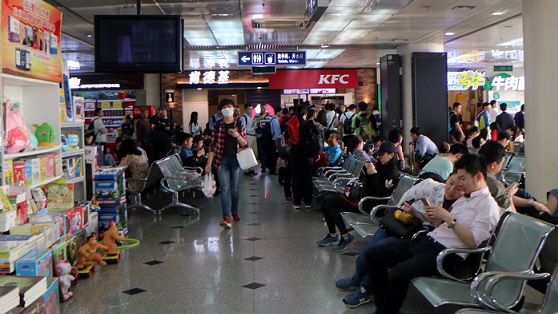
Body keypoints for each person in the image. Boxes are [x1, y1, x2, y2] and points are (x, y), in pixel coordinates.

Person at [362, 153, 501, 314]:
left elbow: (473, 242)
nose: (460, 183)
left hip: (447, 254)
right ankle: (383, 307)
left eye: (463, 178)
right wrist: (432, 216)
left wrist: (449, 219)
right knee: (372, 255)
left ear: (477, 177)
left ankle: (387, 311)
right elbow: (443, 226)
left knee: (397, 274)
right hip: (427, 242)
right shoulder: (465, 199)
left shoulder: (488, 206)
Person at [339, 175, 466, 307]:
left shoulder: (461, 206)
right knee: (367, 253)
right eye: (450, 183)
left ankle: (365, 290)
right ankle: (356, 279)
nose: (451, 190)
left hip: (415, 233)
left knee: (376, 254)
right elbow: (410, 193)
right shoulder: (434, 187)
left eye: (459, 189)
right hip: (397, 222)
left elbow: (439, 230)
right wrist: (402, 209)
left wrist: (420, 216)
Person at [317, 142, 400, 252]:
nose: (379, 158)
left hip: (372, 206)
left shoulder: (393, 174)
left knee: (331, 203)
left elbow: (382, 194)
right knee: (326, 198)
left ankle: (346, 237)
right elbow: (368, 186)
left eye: (382, 155)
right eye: (379, 155)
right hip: (363, 200)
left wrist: (373, 175)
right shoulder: (379, 167)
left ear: (391, 155)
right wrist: (367, 174)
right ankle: (333, 234)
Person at [205, 99, 248, 229]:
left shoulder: (240, 123)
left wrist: (237, 135)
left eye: (229, 106)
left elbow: (245, 143)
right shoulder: (217, 125)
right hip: (221, 160)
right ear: (220, 110)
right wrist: (209, 163)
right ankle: (226, 217)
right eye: (224, 107)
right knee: (225, 188)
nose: (227, 108)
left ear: (234, 108)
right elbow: (212, 146)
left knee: (235, 188)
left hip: (236, 160)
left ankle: (234, 211)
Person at [291, 105, 320, 210]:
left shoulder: (292, 124)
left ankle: (296, 202)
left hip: (295, 154)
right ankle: (308, 202)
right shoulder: (309, 124)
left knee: (296, 179)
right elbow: (316, 140)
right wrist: (316, 154)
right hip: (308, 155)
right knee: (307, 178)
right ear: (305, 114)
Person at [478, 141, 513, 210]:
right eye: (502, 163)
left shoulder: (469, 170)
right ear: (493, 165)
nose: (502, 166)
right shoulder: (493, 184)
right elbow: (506, 204)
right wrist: (510, 194)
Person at [255, 105, 281, 174]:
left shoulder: (271, 117)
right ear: (260, 108)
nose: (263, 109)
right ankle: (263, 166)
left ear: (266, 109)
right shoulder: (256, 117)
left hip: (268, 138)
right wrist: (257, 126)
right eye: (262, 108)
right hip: (259, 137)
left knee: (268, 153)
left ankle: (267, 166)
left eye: (264, 108)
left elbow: (273, 129)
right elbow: (254, 126)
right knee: (261, 153)